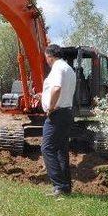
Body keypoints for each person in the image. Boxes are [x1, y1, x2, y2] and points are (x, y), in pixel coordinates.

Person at [40, 44, 77, 197]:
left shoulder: (57, 68)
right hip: (67, 112)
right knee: (61, 150)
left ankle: (59, 186)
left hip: (57, 114)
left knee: (47, 148)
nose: (46, 60)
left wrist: (50, 107)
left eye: (46, 57)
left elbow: (56, 88)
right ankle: (66, 187)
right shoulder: (68, 69)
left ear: (50, 56)